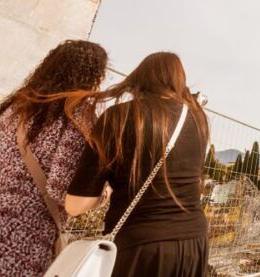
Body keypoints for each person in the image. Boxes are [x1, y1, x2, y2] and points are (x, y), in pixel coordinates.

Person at [66, 52, 210, 276]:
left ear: (140, 77)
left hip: (140, 245)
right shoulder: (197, 119)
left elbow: (75, 205)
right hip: (195, 242)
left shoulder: (117, 117)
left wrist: (105, 195)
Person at [0, 40, 108, 276]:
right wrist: (103, 196)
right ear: (94, 76)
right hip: (23, 241)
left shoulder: (15, 106)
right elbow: (62, 192)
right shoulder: (76, 114)